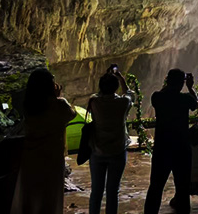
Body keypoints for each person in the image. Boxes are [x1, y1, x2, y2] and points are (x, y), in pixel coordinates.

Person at [11, 68, 76, 214]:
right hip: (51, 161)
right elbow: (71, 114)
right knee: (49, 200)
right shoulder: (60, 105)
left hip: (30, 159)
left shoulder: (28, 106)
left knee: (29, 198)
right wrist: (58, 97)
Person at [143, 68, 198, 214]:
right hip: (182, 149)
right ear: (182, 83)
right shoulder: (185, 98)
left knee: (155, 187)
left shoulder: (157, 97)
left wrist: (168, 83)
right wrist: (191, 87)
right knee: (182, 189)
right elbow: (196, 103)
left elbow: (162, 93)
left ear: (167, 81)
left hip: (162, 148)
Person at [87, 65, 134, 214]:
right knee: (113, 191)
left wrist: (107, 79)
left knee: (96, 191)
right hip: (117, 151)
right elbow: (129, 93)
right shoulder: (122, 103)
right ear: (115, 87)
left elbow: (97, 94)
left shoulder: (94, 102)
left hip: (97, 151)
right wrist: (120, 77)